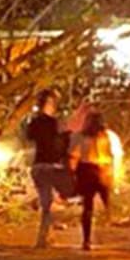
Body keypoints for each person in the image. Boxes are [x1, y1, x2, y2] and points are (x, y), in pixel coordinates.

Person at [24, 90, 71, 248]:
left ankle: (45, 236)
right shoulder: (54, 123)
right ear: (49, 104)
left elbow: (28, 137)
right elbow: (61, 143)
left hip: (37, 166)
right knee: (53, 203)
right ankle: (44, 237)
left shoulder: (34, 123)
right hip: (52, 166)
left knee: (47, 202)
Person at [69, 111, 115, 251]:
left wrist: (72, 171)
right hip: (99, 169)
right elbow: (109, 156)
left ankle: (87, 240)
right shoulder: (105, 136)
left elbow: (72, 153)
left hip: (85, 169)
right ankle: (110, 221)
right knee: (106, 200)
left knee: (87, 206)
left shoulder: (80, 136)